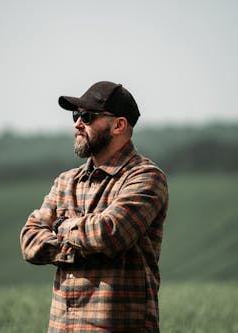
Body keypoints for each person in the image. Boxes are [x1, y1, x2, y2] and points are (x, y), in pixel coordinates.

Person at [20, 81, 169, 332]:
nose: (77, 123)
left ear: (118, 125)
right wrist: (79, 244)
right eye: (76, 115)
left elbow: (109, 233)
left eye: (87, 116)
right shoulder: (66, 181)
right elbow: (29, 240)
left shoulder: (145, 177)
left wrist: (59, 226)